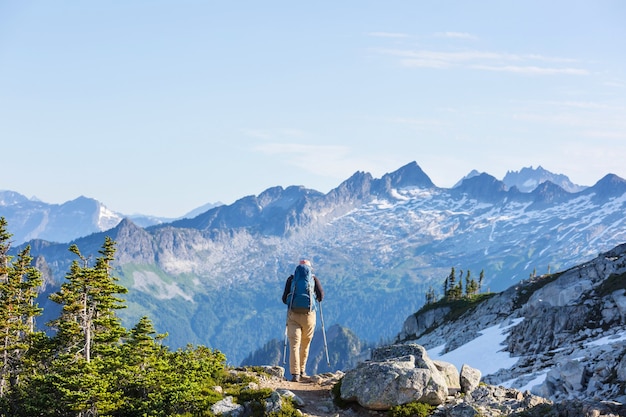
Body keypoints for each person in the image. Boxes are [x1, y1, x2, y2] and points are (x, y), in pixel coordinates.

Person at [282, 259, 324, 382]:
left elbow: (284, 299)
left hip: (293, 315)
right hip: (309, 316)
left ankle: (295, 374)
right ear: (310, 268)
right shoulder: (314, 279)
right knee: (305, 344)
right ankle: (302, 370)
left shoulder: (291, 279)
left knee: (294, 345)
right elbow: (321, 297)